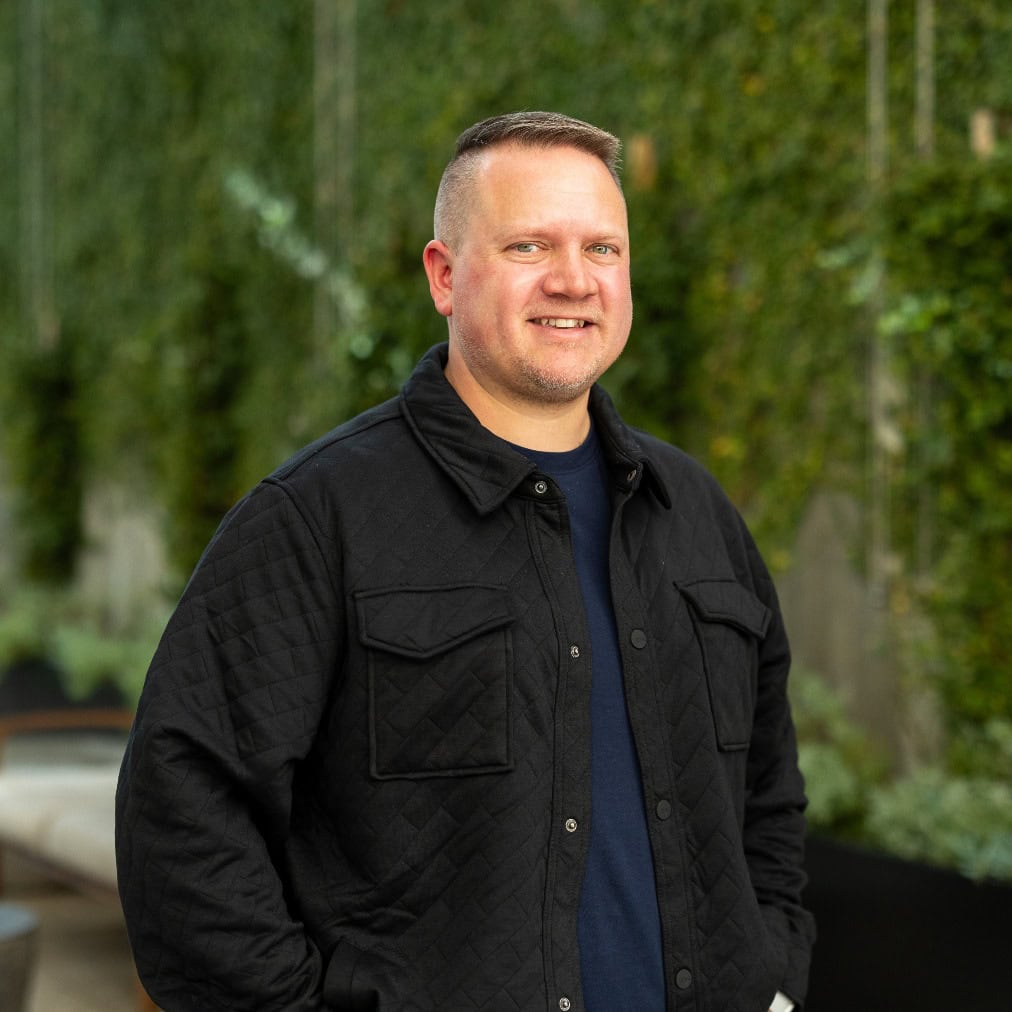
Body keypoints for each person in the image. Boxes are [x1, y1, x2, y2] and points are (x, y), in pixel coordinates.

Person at [116, 111, 815, 1012]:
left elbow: (767, 794)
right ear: (444, 277)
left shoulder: (696, 516)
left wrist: (773, 981)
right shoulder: (320, 518)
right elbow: (182, 813)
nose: (574, 280)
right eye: (530, 245)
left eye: (603, 249)